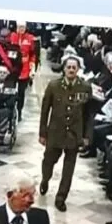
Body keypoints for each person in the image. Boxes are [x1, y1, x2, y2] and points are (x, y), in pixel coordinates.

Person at [38, 56, 91, 212]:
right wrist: (43, 132)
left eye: (74, 67)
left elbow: (88, 114)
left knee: (69, 169)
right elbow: (45, 110)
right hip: (55, 132)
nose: (71, 70)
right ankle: (45, 179)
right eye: (69, 67)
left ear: (78, 69)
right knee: (49, 160)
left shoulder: (85, 87)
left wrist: (87, 136)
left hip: (74, 134)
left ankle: (61, 197)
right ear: (64, 68)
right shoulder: (54, 85)